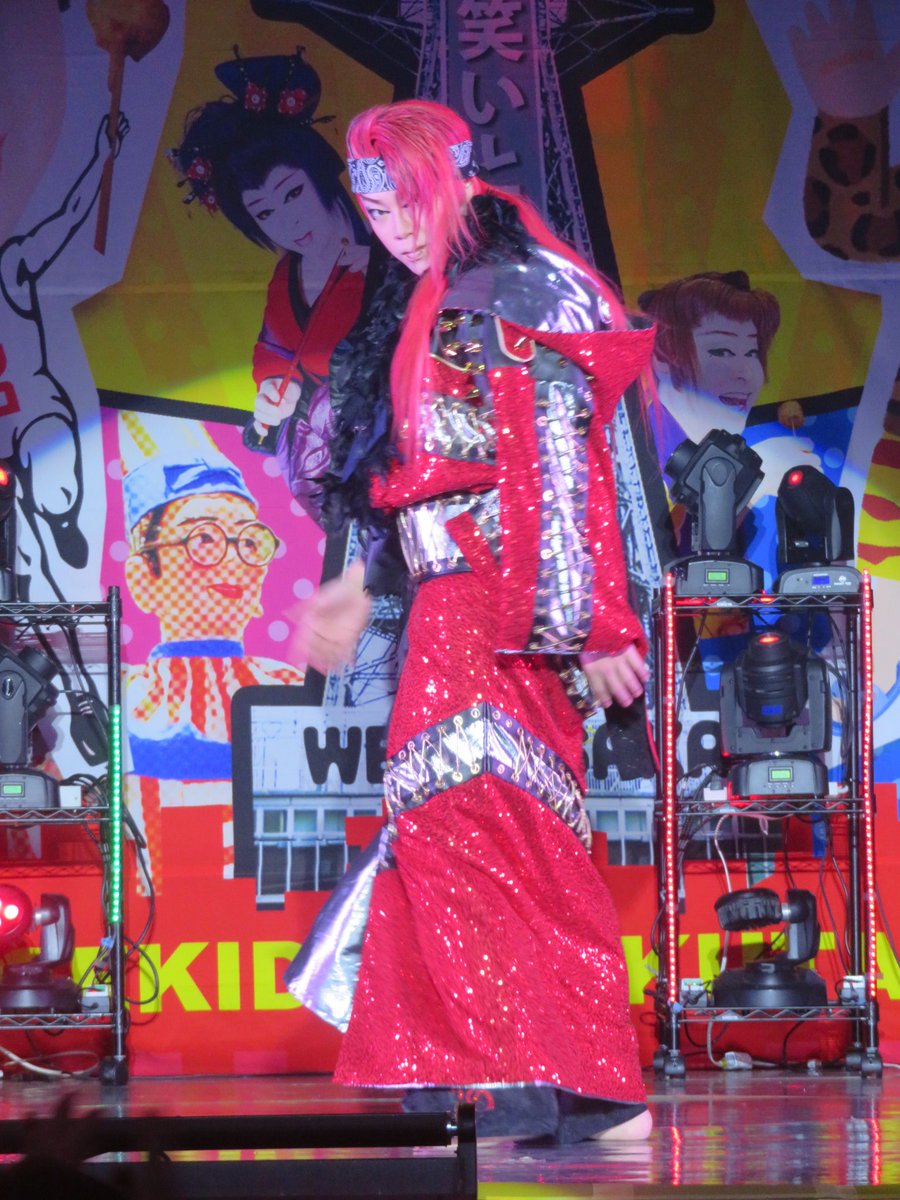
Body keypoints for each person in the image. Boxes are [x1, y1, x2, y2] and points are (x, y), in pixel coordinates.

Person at [286, 100, 655, 1143]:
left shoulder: (507, 290)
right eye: (377, 212)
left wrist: (597, 625)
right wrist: (364, 586)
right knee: (460, 828)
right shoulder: (437, 298)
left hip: (507, 602)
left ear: (454, 182)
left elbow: (559, 462)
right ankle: (535, 1080)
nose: (396, 229)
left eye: (411, 203)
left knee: (484, 826)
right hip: (454, 599)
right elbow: (419, 478)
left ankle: (543, 1078)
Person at [120, 413, 304, 891]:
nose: (234, 561)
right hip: (153, 918)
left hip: (274, 917)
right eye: (203, 538)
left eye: (249, 541)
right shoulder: (121, 697)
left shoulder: (289, 688)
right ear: (143, 579)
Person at [168, 48, 371, 458]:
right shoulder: (285, 280)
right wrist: (275, 391)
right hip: (326, 462)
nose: (288, 222)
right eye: (264, 213)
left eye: (293, 193)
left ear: (320, 175)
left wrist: (384, 271)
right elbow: (275, 354)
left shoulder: (391, 259)